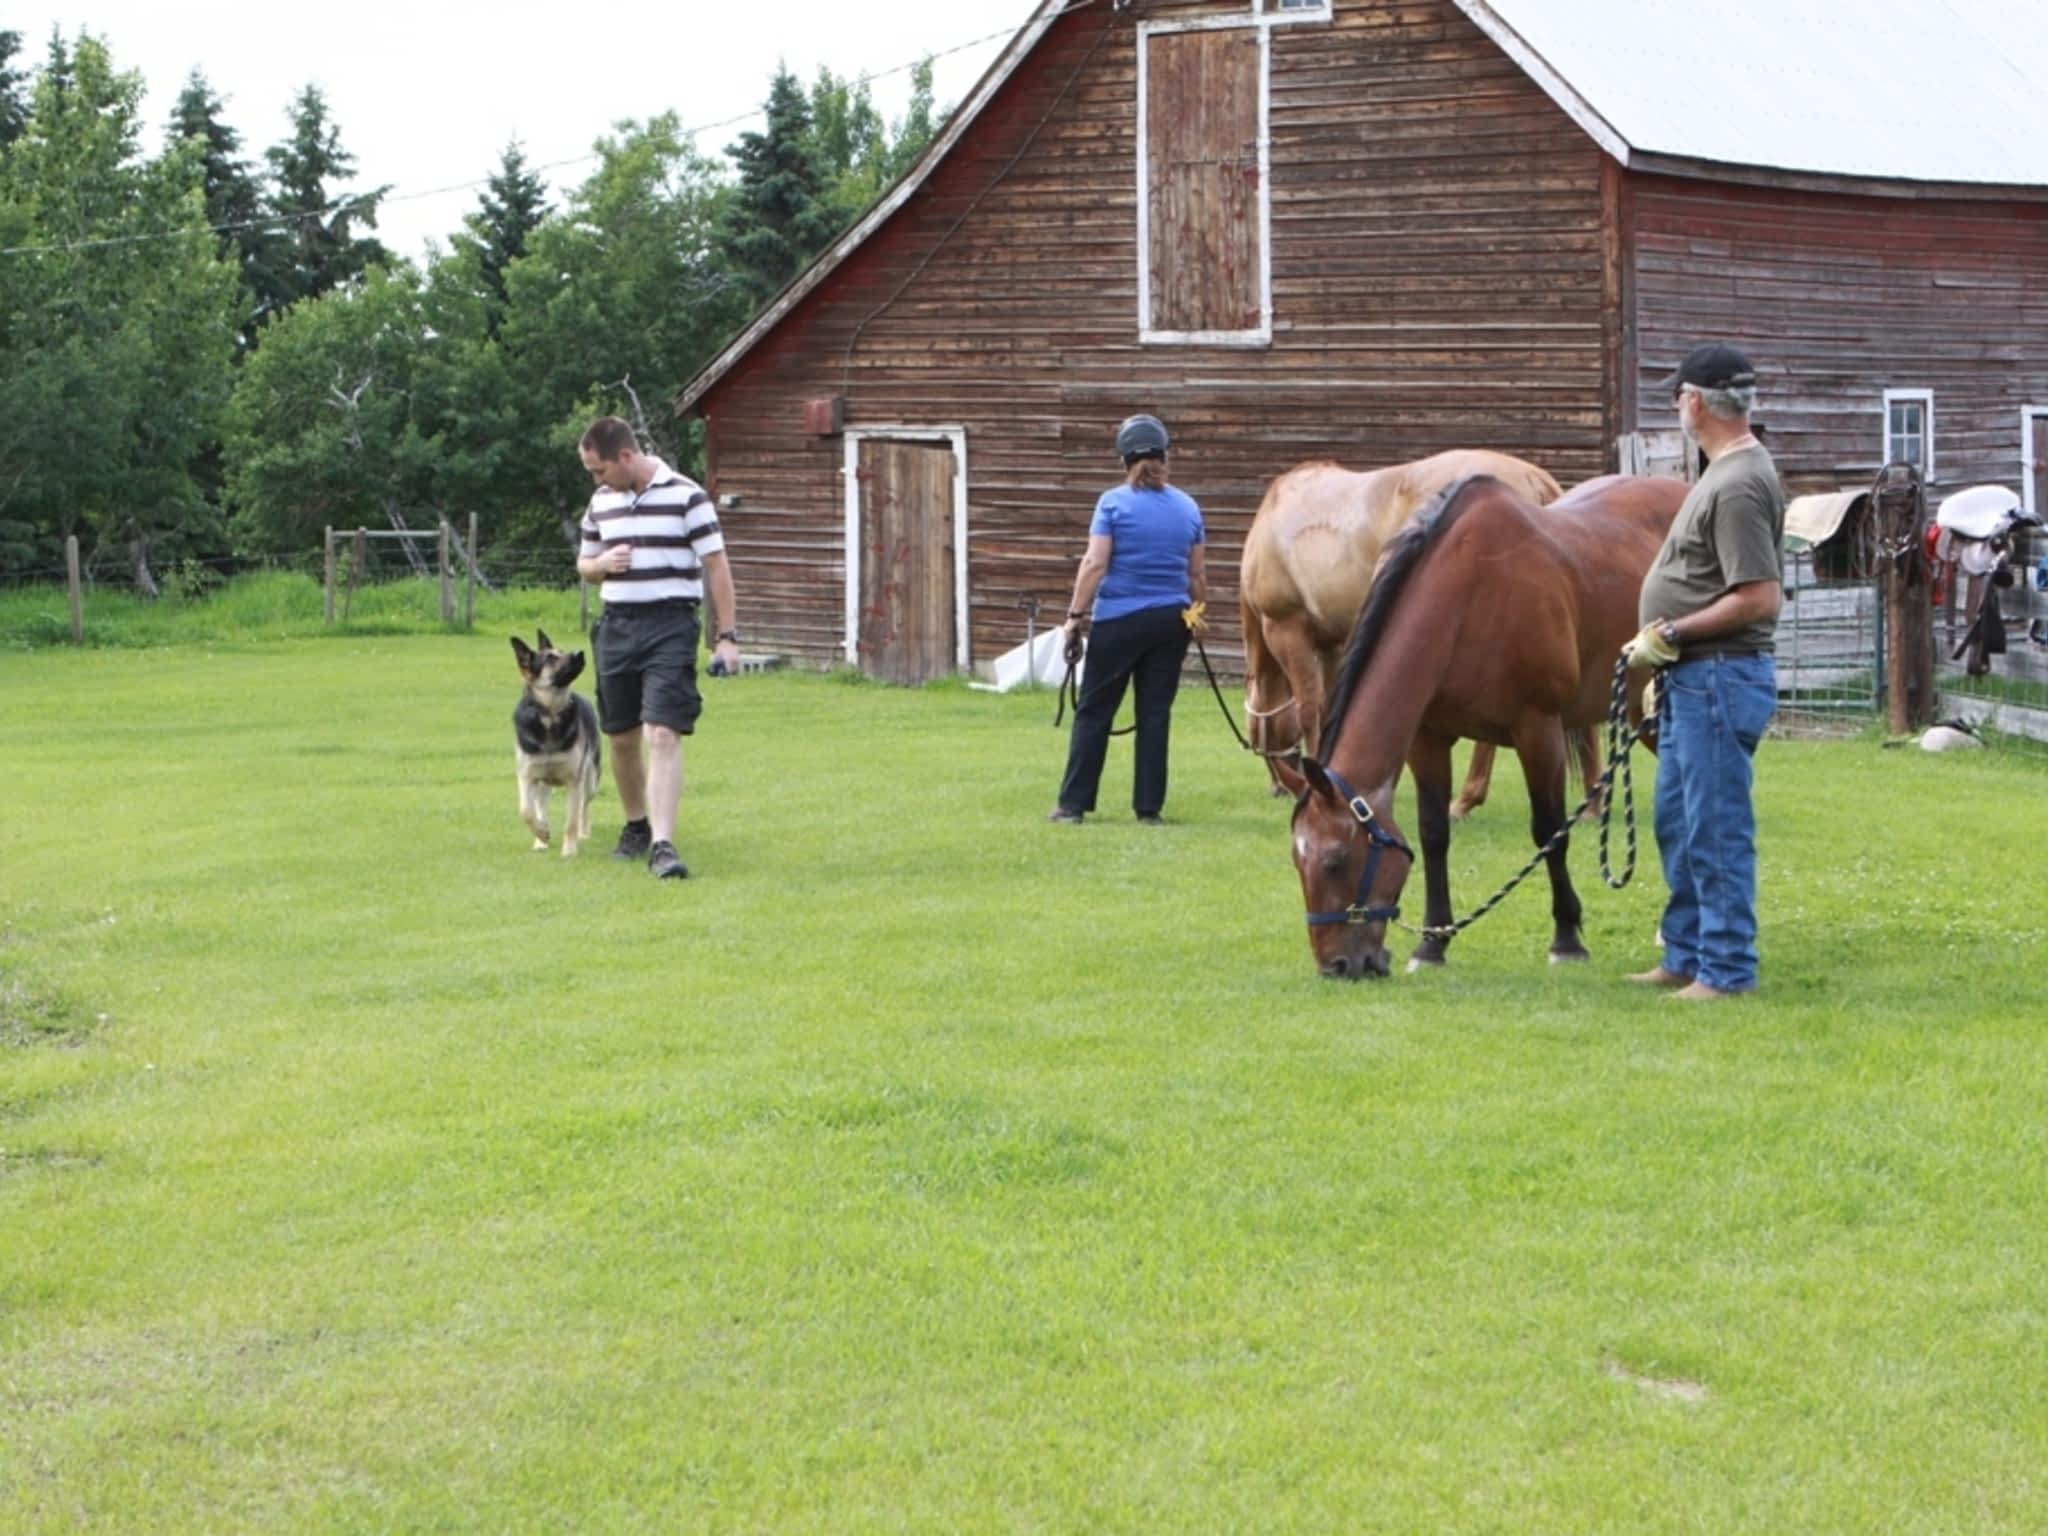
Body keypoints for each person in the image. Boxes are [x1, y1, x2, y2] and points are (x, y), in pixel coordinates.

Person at [1621, 344, 1786, 999]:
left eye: (1677, 395)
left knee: (1715, 827)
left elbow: (1759, 596)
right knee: (1678, 821)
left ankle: (1726, 971)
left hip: (1719, 676)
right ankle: (1686, 955)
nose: (1674, 405)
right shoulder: (1721, 472)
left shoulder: (1741, 482)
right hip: (1694, 680)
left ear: (1695, 400)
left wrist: (1670, 632)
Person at [575, 416, 742, 880]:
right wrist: (601, 564)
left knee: (663, 733)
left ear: (626, 456)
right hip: (616, 626)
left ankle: (664, 846)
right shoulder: (600, 503)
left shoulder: (687, 496)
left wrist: (726, 638)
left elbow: (717, 567)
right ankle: (636, 826)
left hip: (670, 625)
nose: (597, 480)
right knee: (622, 737)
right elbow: (584, 564)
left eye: (599, 470)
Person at [1049, 413, 1208, 825]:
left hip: (1119, 619)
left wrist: (1074, 616)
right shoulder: (1188, 506)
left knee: (1094, 711)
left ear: (1123, 460)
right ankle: (1148, 809)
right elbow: (1197, 575)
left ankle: (1073, 805)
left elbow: (1094, 563)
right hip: (1171, 621)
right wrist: (1197, 616)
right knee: (1154, 714)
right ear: (1165, 457)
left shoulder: (1113, 503)